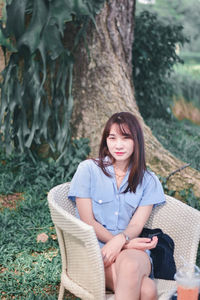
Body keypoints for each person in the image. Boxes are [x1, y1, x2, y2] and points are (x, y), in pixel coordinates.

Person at [68, 112, 165, 300]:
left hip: (132, 253)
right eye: (112, 138)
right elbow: (88, 221)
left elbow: (136, 225)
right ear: (106, 141)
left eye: (126, 138)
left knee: (130, 265)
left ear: (136, 141)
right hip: (96, 249)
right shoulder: (88, 170)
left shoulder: (149, 180)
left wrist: (122, 241)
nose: (118, 145)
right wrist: (122, 242)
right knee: (147, 290)